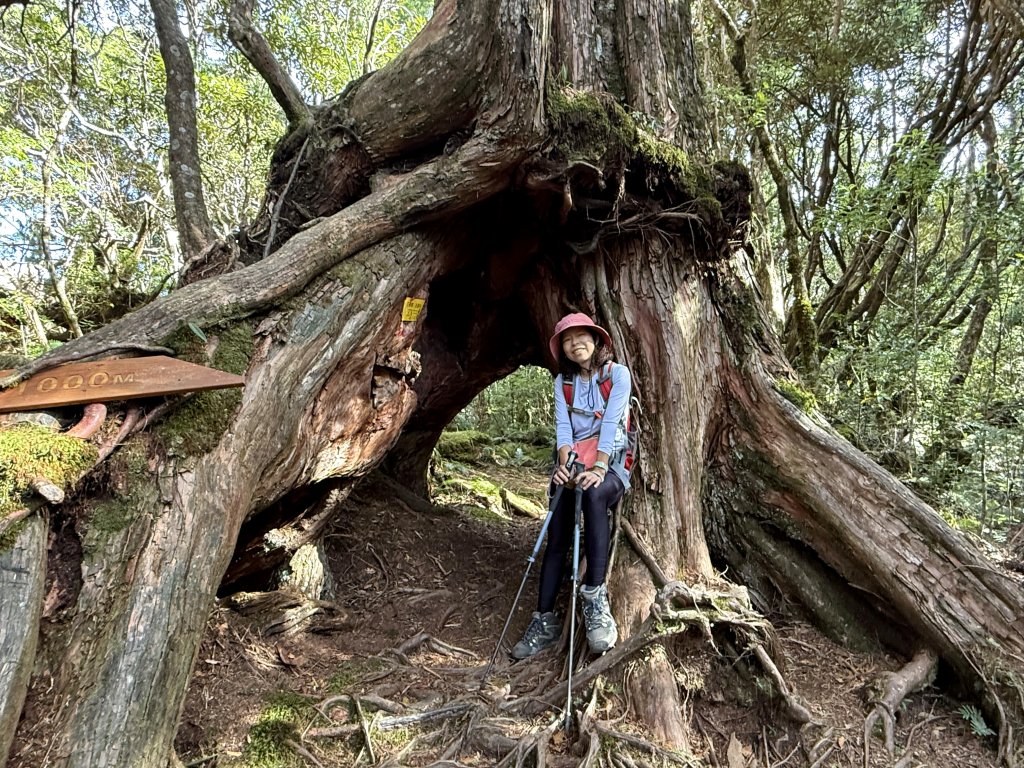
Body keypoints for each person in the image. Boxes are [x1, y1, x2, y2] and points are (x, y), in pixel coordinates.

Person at [511, 312, 632, 659]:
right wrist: (563, 465)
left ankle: (595, 598)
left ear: (597, 341)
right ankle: (544, 619)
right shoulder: (563, 382)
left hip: (611, 461)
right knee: (558, 527)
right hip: (575, 460)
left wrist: (599, 466)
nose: (575, 343)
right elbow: (563, 428)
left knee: (595, 495)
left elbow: (611, 422)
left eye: (582, 336)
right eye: (567, 339)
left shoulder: (616, 375)